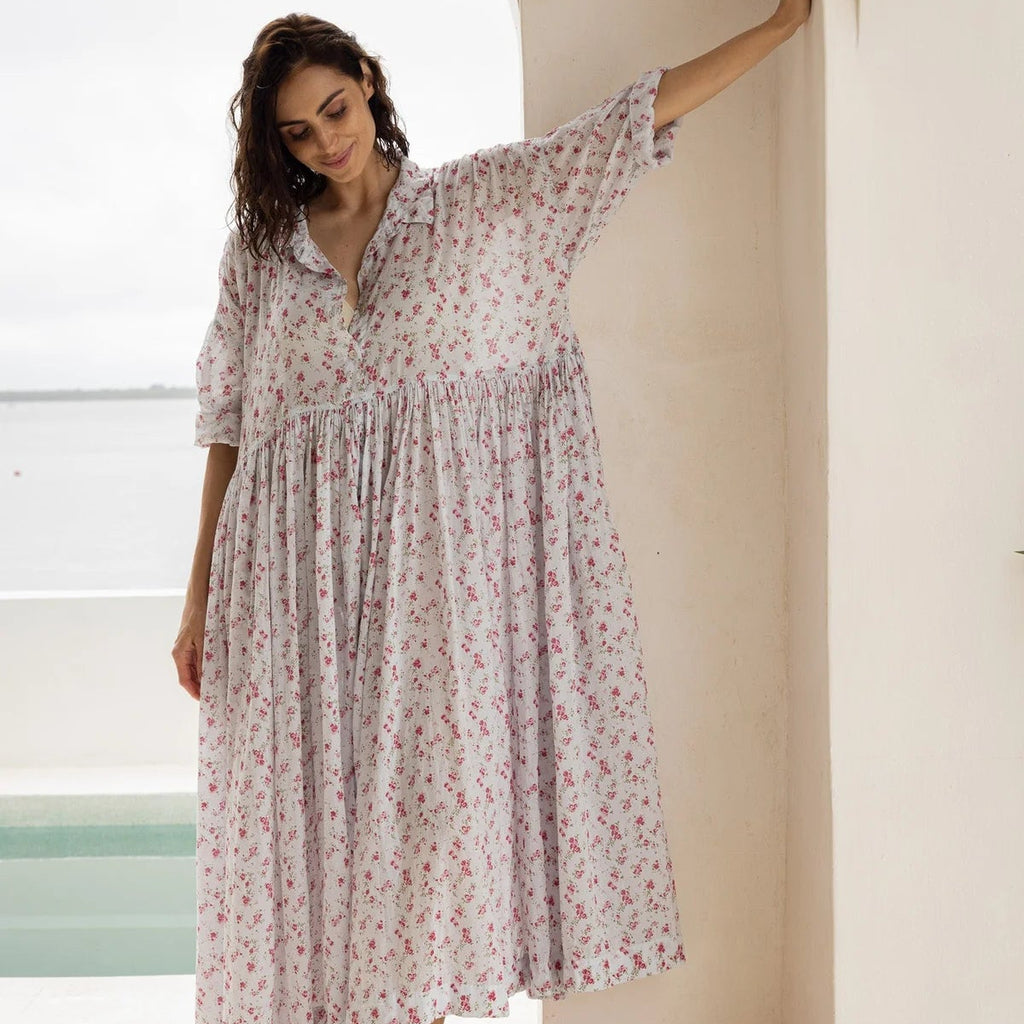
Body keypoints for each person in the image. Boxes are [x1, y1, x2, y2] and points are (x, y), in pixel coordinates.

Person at [172, 5, 810, 1023]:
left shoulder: (481, 206)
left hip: (438, 606)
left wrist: (781, 25)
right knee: (315, 849)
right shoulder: (262, 256)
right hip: (294, 603)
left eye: (334, 108)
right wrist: (198, 596)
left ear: (367, 83)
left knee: (435, 846)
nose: (326, 140)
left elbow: (630, 118)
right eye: (296, 131)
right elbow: (230, 429)